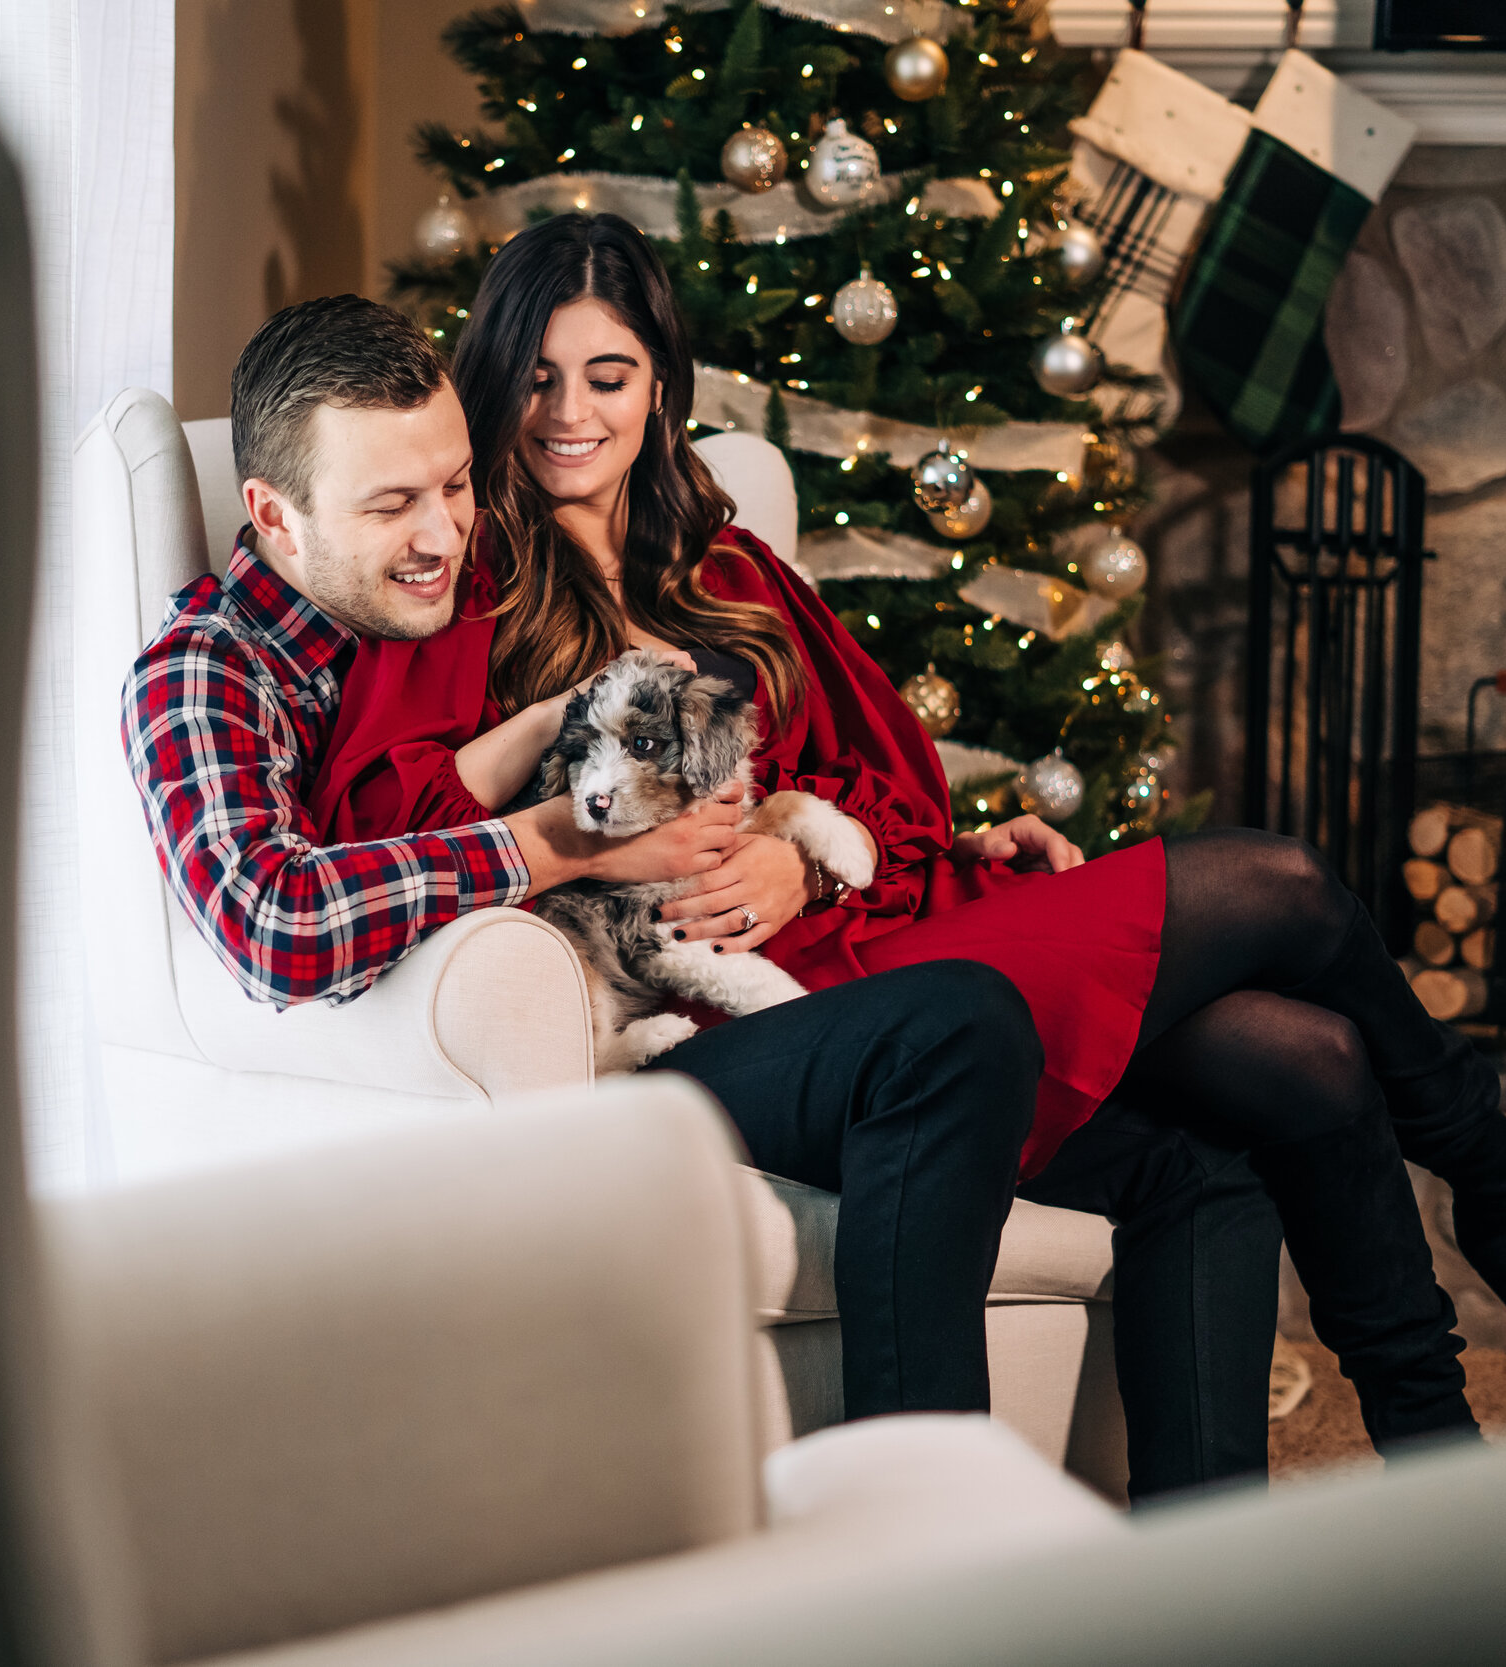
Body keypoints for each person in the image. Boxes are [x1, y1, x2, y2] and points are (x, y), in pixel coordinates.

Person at [306, 213, 1506, 1458]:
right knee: (1287, 883)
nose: (572, 410)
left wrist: (817, 851)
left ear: (660, 390)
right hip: (783, 1013)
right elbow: (392, 819)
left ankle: (1423, 1453)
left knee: (1303, 1057)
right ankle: (1501, 1182)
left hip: (880, 929)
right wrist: (603, 835)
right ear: (494, 387)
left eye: (608, 374)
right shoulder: (467, 573)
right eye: (540, 376)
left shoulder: (729, 565)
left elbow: (889, 794)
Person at [124, 291, 1286, 1498]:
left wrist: (772, 831)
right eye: (391, 504)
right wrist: (567, 843)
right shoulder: (215, 668)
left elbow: (727, 765)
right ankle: (914, 1536)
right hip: (595, 1044)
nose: (443, 532)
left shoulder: (440, 593)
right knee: (968, 1019)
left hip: (737, 971)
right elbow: (275, 925)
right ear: (270, 514)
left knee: (1205, 1150)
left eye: (456, 486)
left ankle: (1208, 1575)